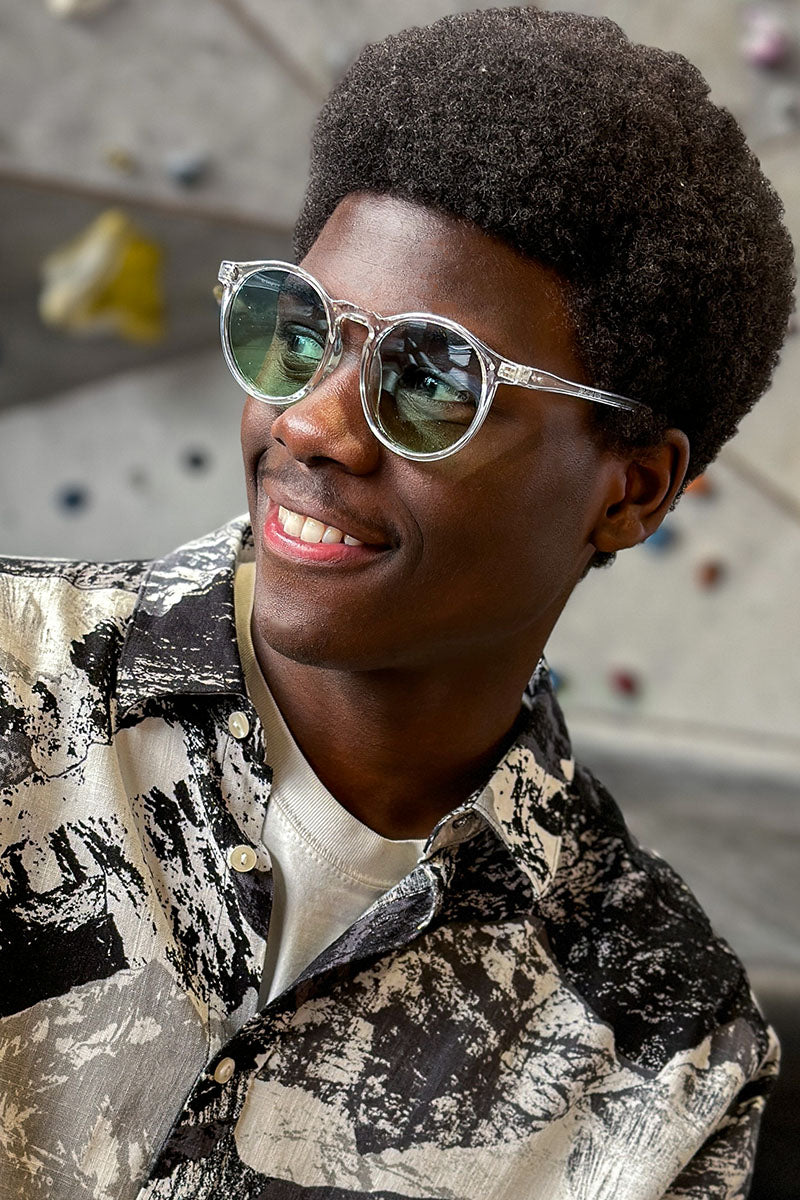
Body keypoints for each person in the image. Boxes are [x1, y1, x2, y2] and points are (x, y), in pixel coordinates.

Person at [0, 8, 794, 1199]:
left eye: (428, 380)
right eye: (299, 332)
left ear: (630, 491)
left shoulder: (662, 1049)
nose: (311, 422)